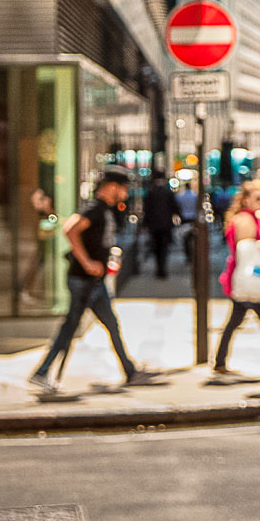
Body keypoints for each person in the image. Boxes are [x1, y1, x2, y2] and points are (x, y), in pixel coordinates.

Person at [30, 167, 162, 393]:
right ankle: (41, 373)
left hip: (94, 282)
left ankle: (129, 371)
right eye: (124, 188)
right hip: (83, 281)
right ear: (112, 187)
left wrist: (107, 259)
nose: (126, 193)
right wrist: (87, 263)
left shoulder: (105, 210)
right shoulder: (95, 209)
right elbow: (70, 229)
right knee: (70, 328)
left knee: (109, 325)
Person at [210, 182, 260, 379]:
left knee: (236, 321)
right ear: (246, 200)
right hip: (249, 279)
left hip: (246, 279)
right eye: (258, 199)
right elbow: (247, 249)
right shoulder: (244, 220)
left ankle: (219, 361)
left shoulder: (252, 217)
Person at [139, 169, 177, 279]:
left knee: (156, 247)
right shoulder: (168, 192)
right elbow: (174, 207)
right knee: (164, 247)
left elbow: (147, 209)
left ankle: (159, 269)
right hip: (166, 225)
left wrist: (144, 224)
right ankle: (162, 268)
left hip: (154, 225)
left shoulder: (151, 192)